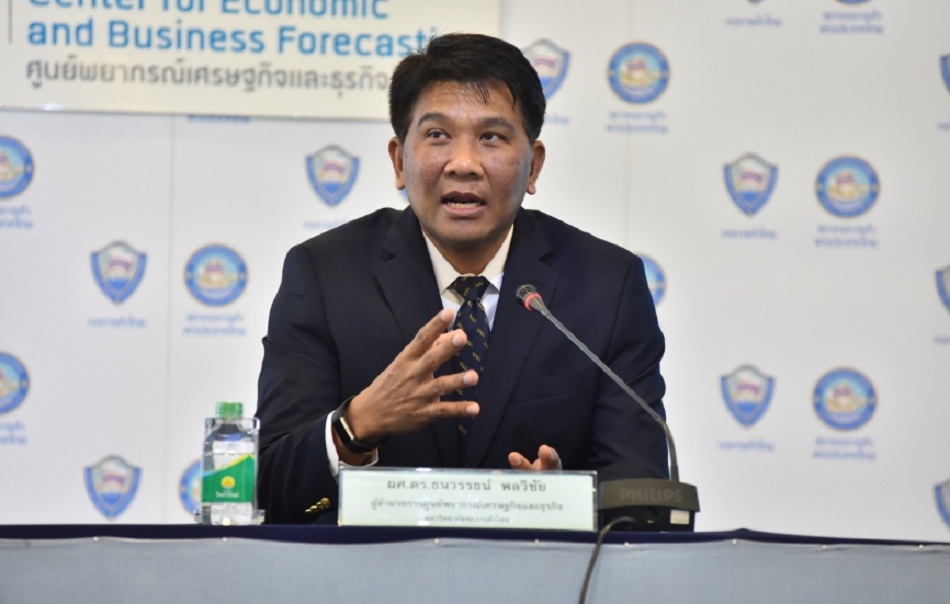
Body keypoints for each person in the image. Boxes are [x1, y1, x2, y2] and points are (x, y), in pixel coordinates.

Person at [255, 33, 668, 524]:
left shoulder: (606, 286)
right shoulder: (325, 276)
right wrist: (357, 424)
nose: (464, 164)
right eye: (437, 135)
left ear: (533, 166)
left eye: (492, 137)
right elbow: (270, 490)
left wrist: (569, 506)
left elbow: (645, 500)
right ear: (398, 160)